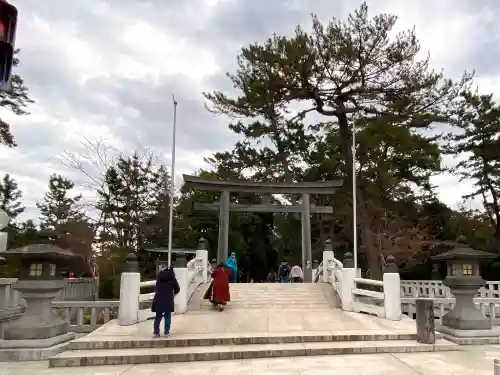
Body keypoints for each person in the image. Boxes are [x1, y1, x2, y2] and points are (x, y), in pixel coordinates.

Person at [151, 267, 180, 337]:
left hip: (158, 299)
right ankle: (166, 332)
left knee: (158, 317)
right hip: (168, 299)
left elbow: (157, 287)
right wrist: (173, 292)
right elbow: (177, 289)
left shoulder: (159, 277)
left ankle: (156, 332)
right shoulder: (172, 278)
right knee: (167, 316)